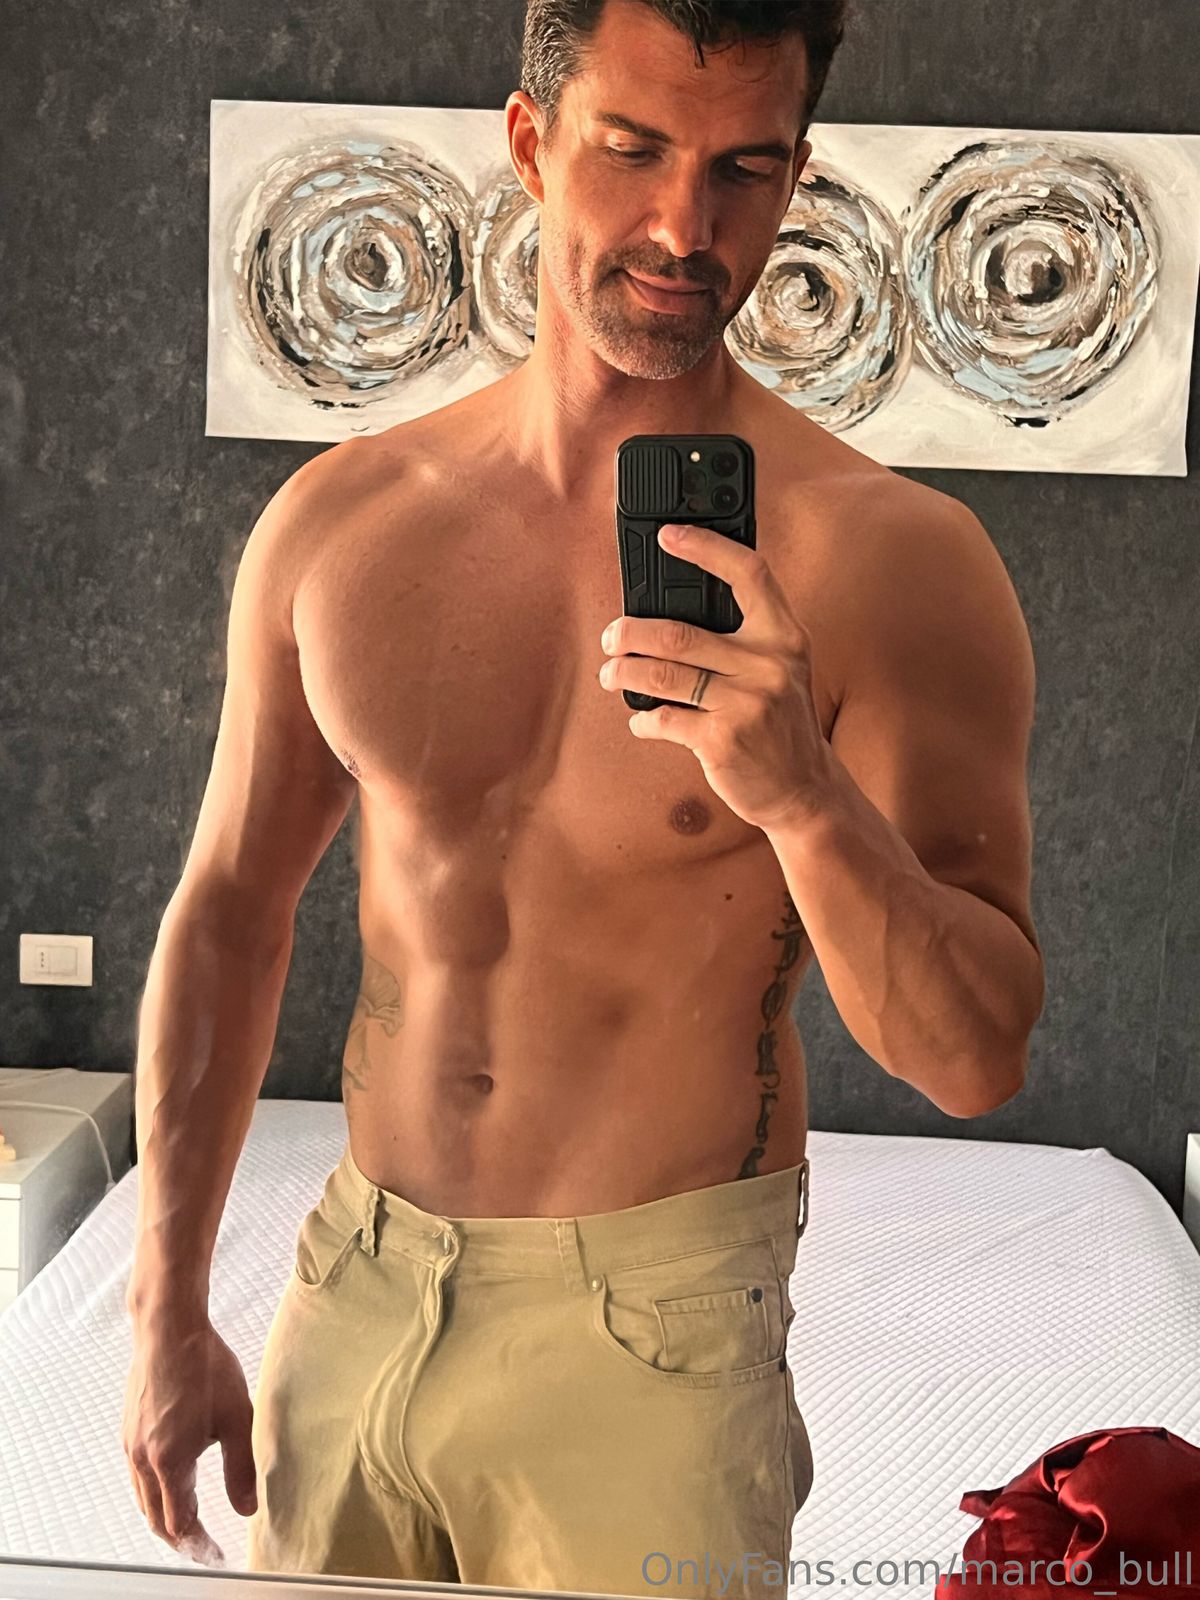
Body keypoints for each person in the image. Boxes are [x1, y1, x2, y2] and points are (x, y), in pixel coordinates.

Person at [122, 1, 1045, 1595]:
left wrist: (803, 800)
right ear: (533, 143)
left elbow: (975, 1060)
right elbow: (227, 913)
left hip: (656, 1334)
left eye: (744, 169)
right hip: (356, 1293)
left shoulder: (894, 563)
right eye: (633, 149)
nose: (686, 228)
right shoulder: (343, 524)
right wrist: (164, 1304)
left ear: (796, 176)